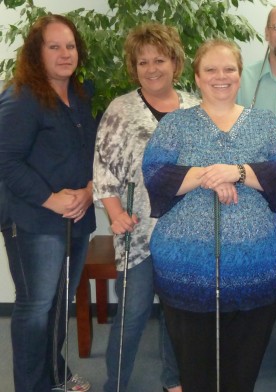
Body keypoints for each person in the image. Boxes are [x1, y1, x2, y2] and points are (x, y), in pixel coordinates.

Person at [142, 39, 276, 392]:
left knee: (241, 372)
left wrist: (238, 172)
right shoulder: (175, 125)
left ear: (240, 75)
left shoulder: (264, 122)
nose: (220, 76)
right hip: (186, 271)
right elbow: (156, 175)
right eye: (210, 69)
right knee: (196, 373)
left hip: (257, 267)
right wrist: (209, 174)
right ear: (196, 77)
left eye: (229, 69)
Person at [93, 23, 198, 392]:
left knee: (178, 313)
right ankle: (116, 384)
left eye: (159, 59)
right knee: (133, 314)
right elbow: (104, 169)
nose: (152, 68)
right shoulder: (120, 110)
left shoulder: (195, 108)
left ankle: (175, 382)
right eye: (142, 62)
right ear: (133, 67)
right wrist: (115, 213)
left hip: (186, 232)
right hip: (138, 233)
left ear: (175, 61)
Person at [0, 14, 96, 392]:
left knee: (59, 304)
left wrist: (90, 189)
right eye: (53, 46)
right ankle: (32, 385)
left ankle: (54, 372)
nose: (64, 53)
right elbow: (5, 160)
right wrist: (50, 199)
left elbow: (95, 150)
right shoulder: (21, 96)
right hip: (34, 221)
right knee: (36, 307)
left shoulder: (84, 92)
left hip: (78, 217)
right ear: (36, 53)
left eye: (70, 46)